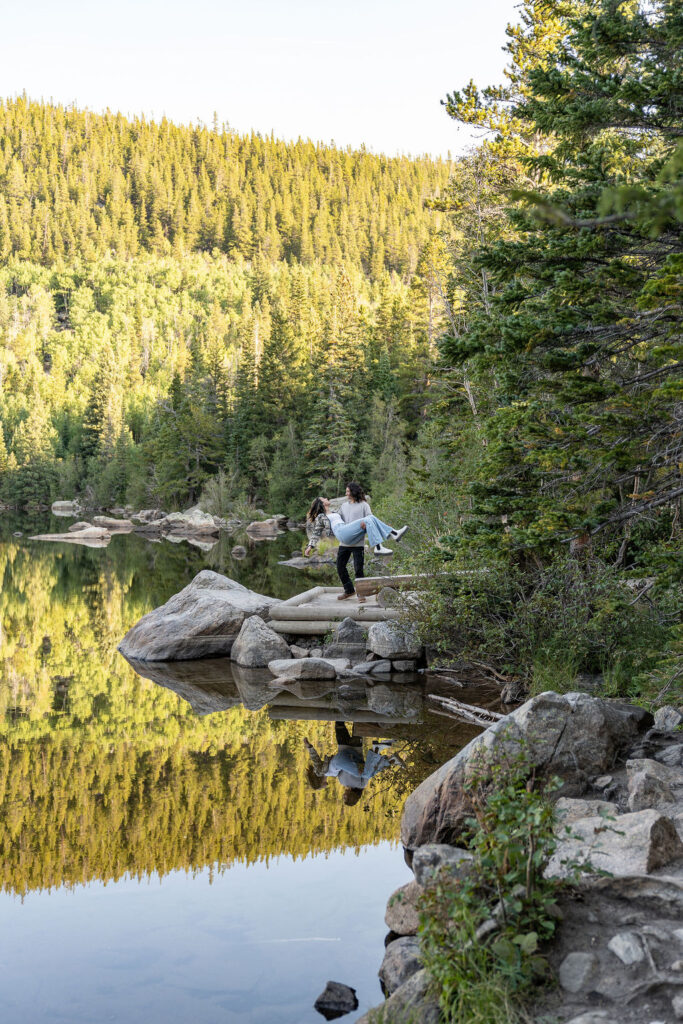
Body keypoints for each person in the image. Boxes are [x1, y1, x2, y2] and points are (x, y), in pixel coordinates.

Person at [304, 493, 408, 601]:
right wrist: (310, 546)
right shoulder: (322, 516)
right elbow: (316, 532)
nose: (326, 498)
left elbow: (351, 522)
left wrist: (361, 525)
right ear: (321, 504)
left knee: (359, 567)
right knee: (340, 566)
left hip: (350, 534)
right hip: (342, 534)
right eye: (323, 499)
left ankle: (360, 593)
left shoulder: (337, 512)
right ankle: (391, 536)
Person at [304, 723, 404, 806]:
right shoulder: (347, 782)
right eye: (345, 798)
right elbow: (340, 765)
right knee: (356, 723)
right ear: (351, 797)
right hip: (352, 748)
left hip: (346, 749)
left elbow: (367, 768)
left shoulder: (342, 781)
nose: (343, 796)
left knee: (368, 773)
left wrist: (309, 747)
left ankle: (385, 756)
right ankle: (389, 759)